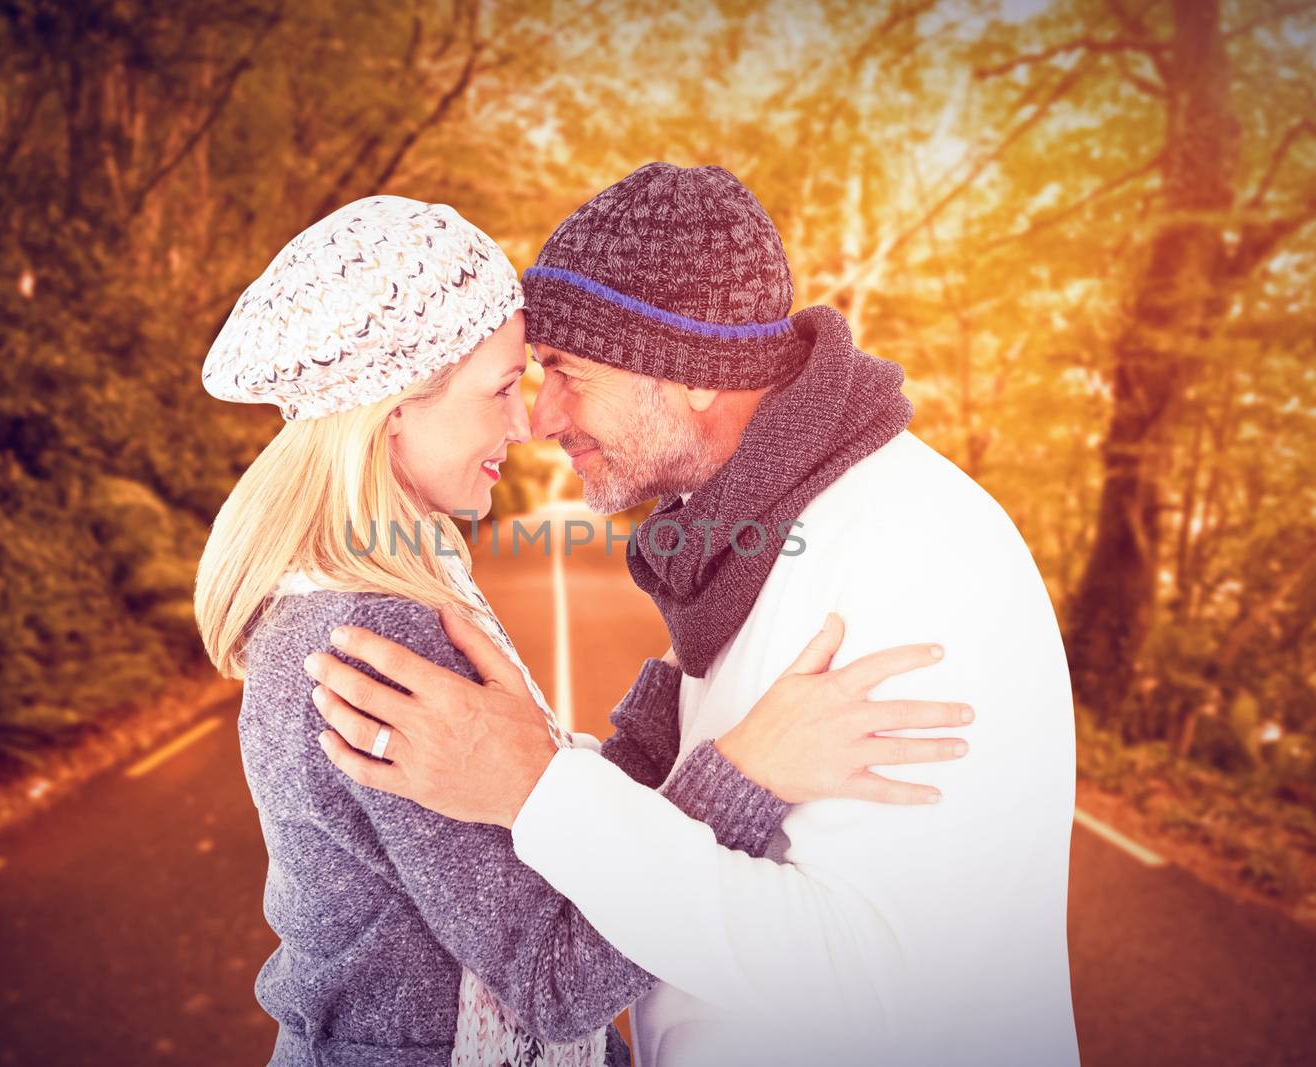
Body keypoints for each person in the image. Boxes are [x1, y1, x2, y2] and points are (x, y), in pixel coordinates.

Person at [312, 165, 1081, 1067]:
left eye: (565, 371)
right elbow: (710, 840)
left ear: (692, 372)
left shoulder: (914, 556)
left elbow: (887, 988)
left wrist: (540, 791)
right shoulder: (755, 537)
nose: (538, 416)